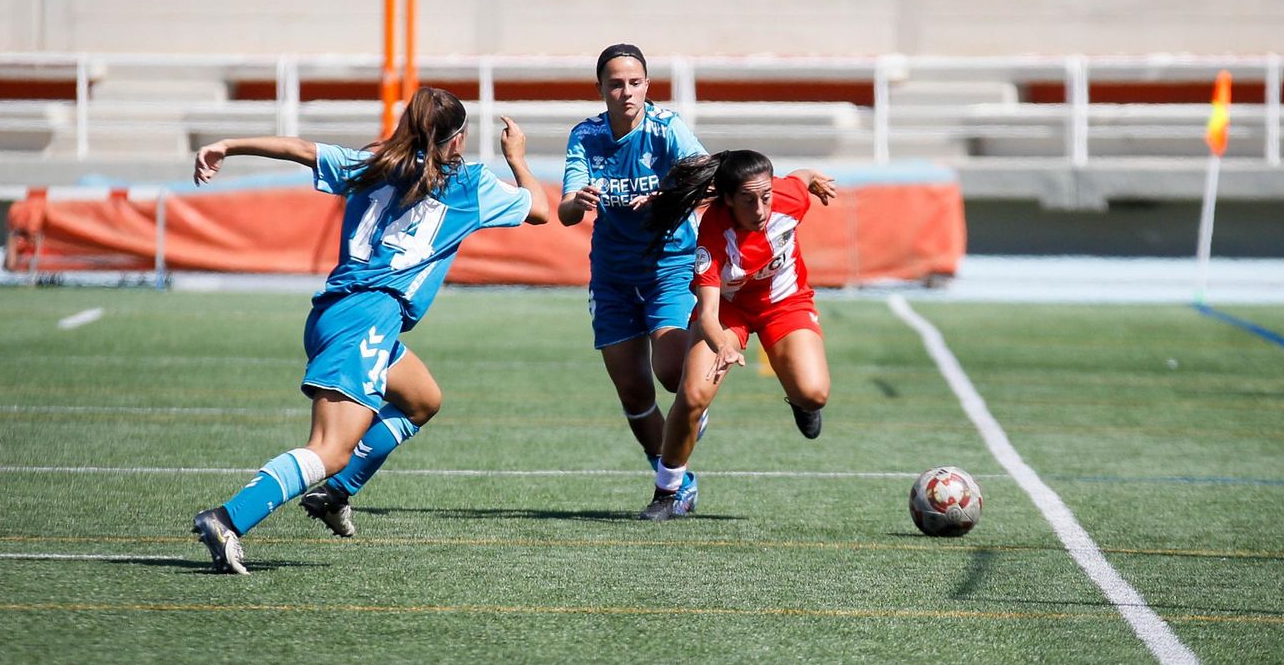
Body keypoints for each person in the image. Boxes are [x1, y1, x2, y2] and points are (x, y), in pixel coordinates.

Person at [188, 88, 550, 574]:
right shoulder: (470, 185)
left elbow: (300, 148)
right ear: (457, 141)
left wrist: (227, 145)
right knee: (329, 448)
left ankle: (336, 494)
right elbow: (542, 208)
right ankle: (229, 518)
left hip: (337, 311)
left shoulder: (371, 163)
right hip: (367, 318)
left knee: (422, 400)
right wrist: (518, 158)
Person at [637, 150, 837, 520]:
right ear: (728, 199)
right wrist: (723, 346)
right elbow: (708, 314)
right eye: (748, 200)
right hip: (728, 310)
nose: (760, 208)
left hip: (784, 300)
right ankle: (667, 492)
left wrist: (815, 179)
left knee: (814, 393)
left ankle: (800, 402)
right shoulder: (713, 234)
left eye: (766, 197)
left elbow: (801, 177)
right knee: (693, 394)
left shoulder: (788, 198)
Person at [560, 43, 709, 473]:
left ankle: (698, 403)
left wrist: (663, 197)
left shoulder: (668, 129)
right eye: (616, 84)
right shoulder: (586, 136)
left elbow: (706, 177)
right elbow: (566, 211)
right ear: (601, 89)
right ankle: (674, 479)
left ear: (647, 85)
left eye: (634, 83)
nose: (626, 92)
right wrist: (579, 201)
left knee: (670, 370)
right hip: (613, 275)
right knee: (634, 393)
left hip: (670, 264)